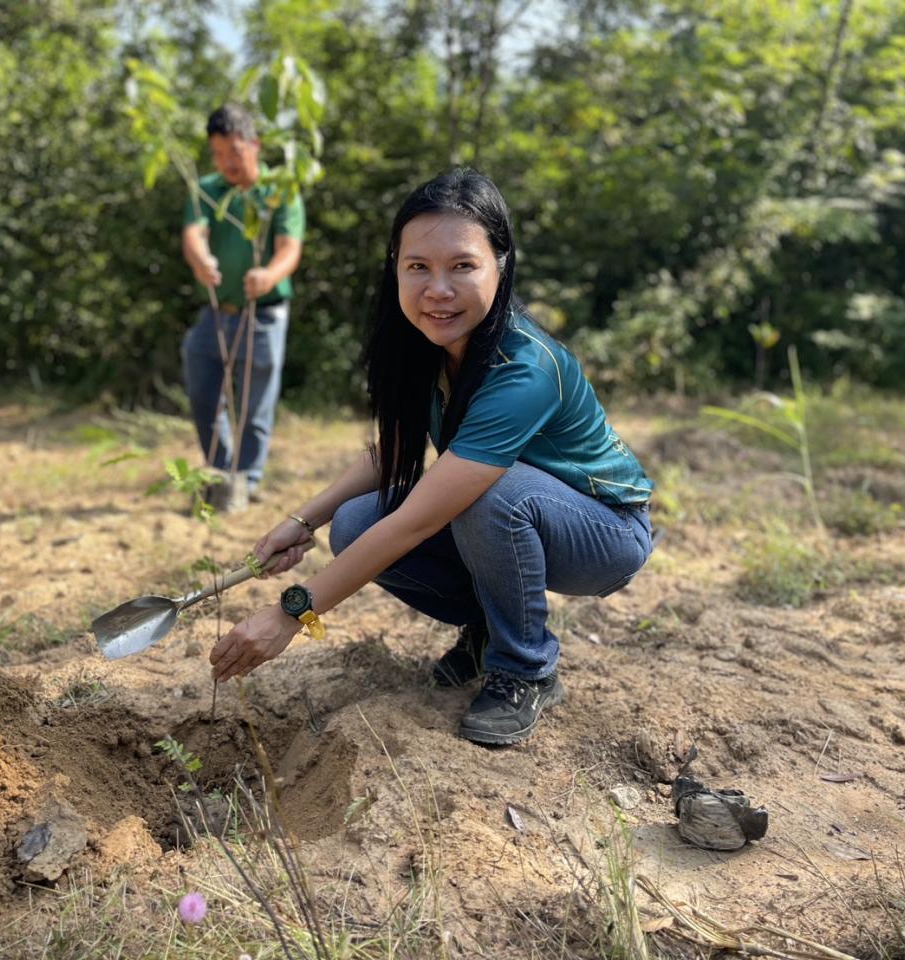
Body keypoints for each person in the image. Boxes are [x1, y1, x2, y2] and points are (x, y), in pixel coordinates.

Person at [208, 169, 653, 746]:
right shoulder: (427, 344)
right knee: (355, 521)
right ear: (396, 267)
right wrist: (301, 521)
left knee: (489, 495)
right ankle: (487, 630)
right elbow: (392, 454)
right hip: (512, 510)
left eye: (462, 266)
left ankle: (526, 669)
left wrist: (291, 613)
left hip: (604, 531)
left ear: (501, 263)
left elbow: (420, 518)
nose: (437, 289)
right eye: (418, 267)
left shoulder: (524, 369)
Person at [181, 104, 305, 511]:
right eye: (217, 154)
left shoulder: (280, 189)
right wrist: (201, 260)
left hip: (264, 313)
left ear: (254, 145)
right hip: (217, 312)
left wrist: (268, 275)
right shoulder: (208, 189)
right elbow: (194, 235)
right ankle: (220, 474)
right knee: (202, 392)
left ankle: (245, 485)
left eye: (233, 151)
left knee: (254, 407)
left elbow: (289, 249)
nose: (226, 162)